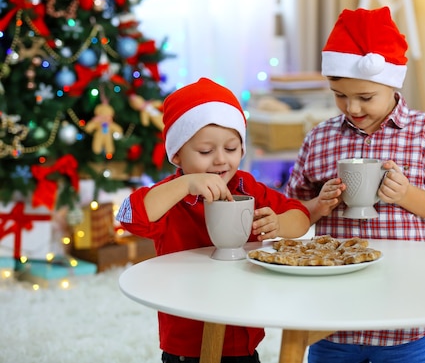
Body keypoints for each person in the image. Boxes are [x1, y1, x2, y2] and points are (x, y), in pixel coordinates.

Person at [285, 6, 425, 363]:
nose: (351, 107)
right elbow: (291, 217)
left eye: (365, 97)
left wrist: (407, 195)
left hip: (407, 319)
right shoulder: (320, 137)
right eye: (340, 95)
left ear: (392, 83)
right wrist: (318, 206)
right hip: (332, 320)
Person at [116, 77, 311, 363]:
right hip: (188, 341)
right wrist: (185, 185)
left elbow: (301, 216)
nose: (220, 160)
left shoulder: (247, 188)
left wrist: (278, 225)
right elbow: (130, 216)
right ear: (177, 155)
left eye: (231, 149)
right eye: (206, 152)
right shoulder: (171, 197)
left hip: (243, 333)